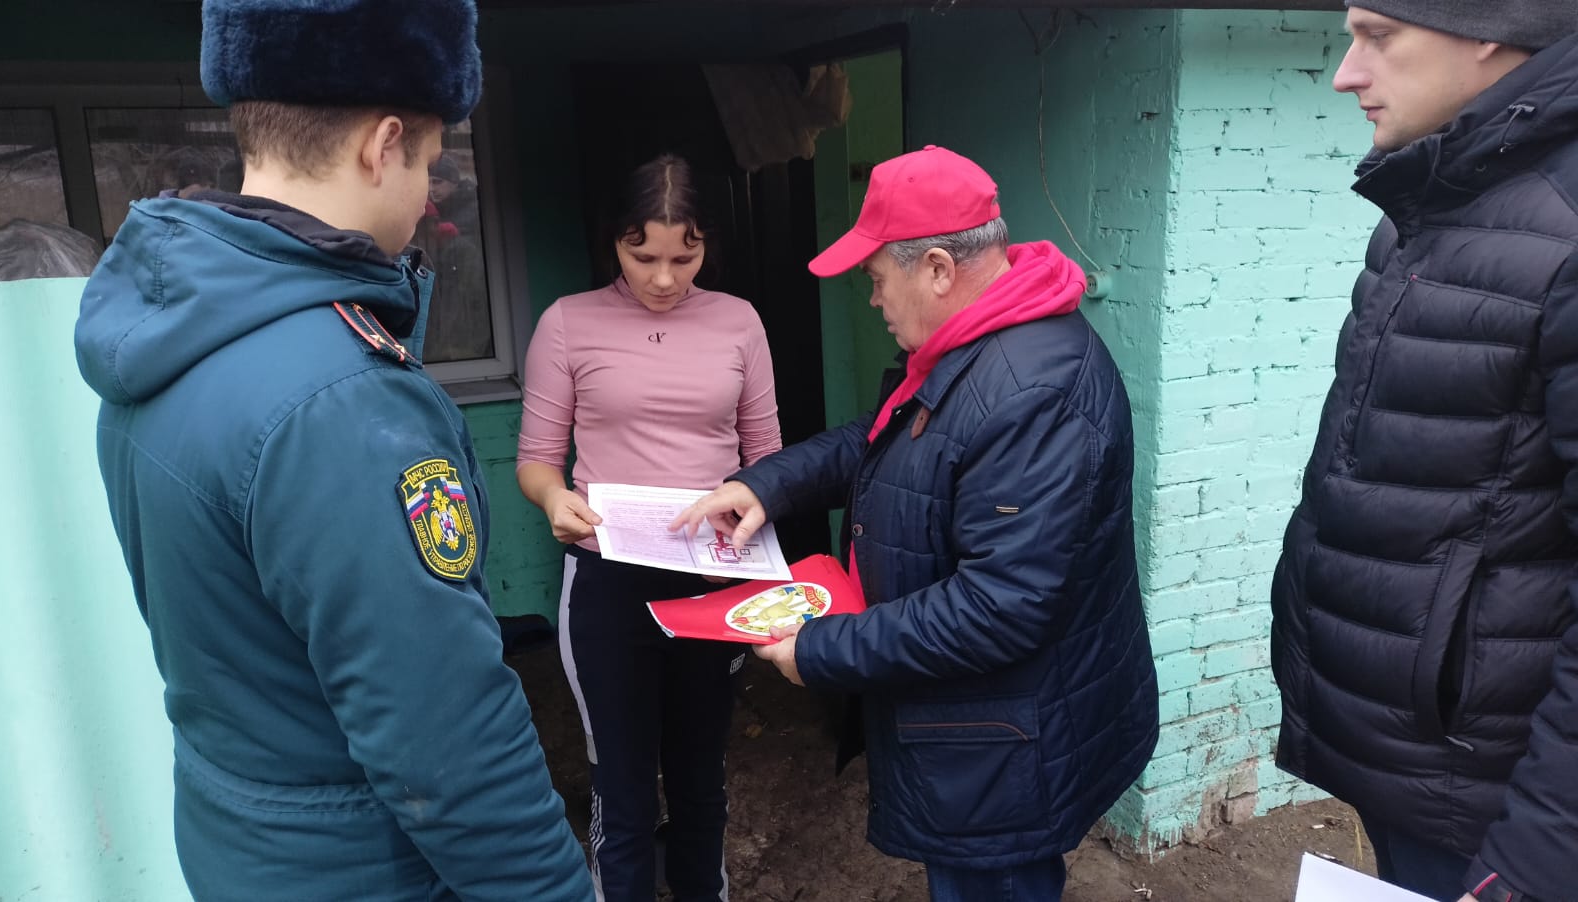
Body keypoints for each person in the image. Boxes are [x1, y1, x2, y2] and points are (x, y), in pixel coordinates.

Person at [72, 1, 592, 899]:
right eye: (431, 161)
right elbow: (450, 748)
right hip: (365, 871)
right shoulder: (344, 401)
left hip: (241, 843)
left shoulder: (168, 330)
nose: (429, 194)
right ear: (382, 146)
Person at [671, 146, 1159, 902]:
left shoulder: (1033, 390)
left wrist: (821, 649)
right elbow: (889, 439)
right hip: (986, 734)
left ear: (936, 269)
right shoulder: (975, 344)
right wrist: (767, 484)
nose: (873, 299)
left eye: (875, 278)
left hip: (1006, 747)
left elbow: (997, 608)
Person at [1271, 4, 1578, 901]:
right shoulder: (1429, 200)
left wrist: (1535, 858)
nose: (1345, 72)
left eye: (1378, 35)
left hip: (1498, 806)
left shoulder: (1564, 231)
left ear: (1489, 28)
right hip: (1415, 762)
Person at [515, 153, 782, 902]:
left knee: (701, 778)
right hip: (608, 582)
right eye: (643, 258)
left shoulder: (739, 322)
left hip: (711, 578)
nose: (664, 279)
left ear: (706, 245)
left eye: (684, 258)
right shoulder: (568, 323)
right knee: (623, 786)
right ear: (615, 242)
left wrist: (754, 496)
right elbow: (537, 461)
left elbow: (768, 459)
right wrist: (553, 499)